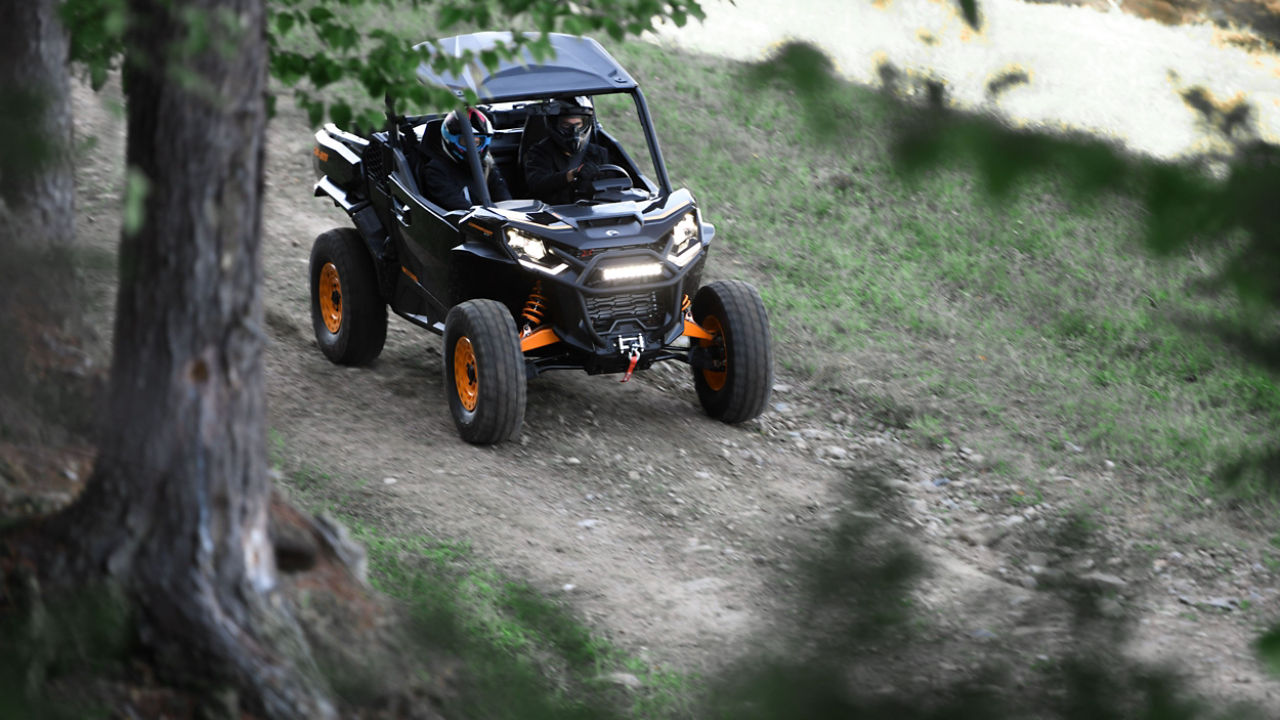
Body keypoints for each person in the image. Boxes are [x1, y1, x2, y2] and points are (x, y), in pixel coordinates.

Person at [419, 108, 511, 211]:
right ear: (450, 140)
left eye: (476, 143)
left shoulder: (487, 165)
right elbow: (455, 204)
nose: (472, 148)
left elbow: (504, 199)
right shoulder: (436, 170)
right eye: (466, 142)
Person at [523, 97, 610, 206]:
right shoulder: (539, 152)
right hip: (553, 214)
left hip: (591, 212)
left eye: (578, 125)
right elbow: (537, 185)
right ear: (554, 125)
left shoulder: (598, 153)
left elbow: (612, 186)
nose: (574, 132)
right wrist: (572, 175)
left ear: (585, 124)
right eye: (566, 125)